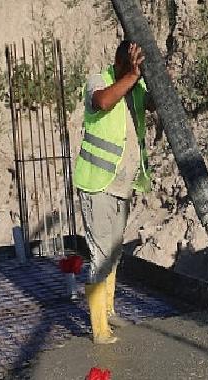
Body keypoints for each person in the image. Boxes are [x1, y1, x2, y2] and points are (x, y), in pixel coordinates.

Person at [73, 40, 155, 344]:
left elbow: (154, 104)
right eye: (131, 65)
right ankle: (98, 329)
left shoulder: (135, 85)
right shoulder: (99, 80)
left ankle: (108, 310)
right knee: (100, 254)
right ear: (120, 63)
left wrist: (156, 76)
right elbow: (103, 102)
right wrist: (132, 77)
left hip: (122, 186)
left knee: (115, 252)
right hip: (97, 184)